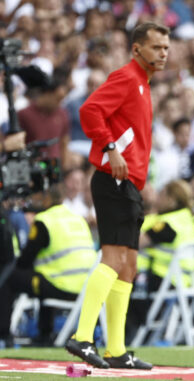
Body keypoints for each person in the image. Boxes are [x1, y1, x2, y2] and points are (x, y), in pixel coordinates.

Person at [65, 22, 170, 370]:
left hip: (129, 184)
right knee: (112, 260)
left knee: (128, 267)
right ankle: (82, 337)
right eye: (156, 47)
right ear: (137, 49)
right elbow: (89, 110)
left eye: (166, 48)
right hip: (112, 182)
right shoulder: (127, 77)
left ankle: (117, 349)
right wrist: (110, 148)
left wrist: (141, 177)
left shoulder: (142, 83)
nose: (163, 53)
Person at [0, 186, 97, 345]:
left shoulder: (45, 221)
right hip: (86, 288)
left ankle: (4, 334)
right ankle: (45, 334)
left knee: (10, 277)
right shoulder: (78, 218)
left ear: (46, 198)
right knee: (44, 277)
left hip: (63, 287)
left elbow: (25, 260)